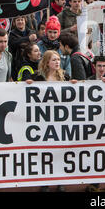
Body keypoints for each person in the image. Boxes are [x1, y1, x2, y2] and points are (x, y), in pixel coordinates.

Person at [26, 50, 70, 192]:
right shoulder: (37, 78)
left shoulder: (65, 77)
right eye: (53, 60)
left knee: (60, 152)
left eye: (58, 59)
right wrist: (27, 84)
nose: (57, 62)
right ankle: (45, 181)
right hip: (43, 121)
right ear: (46, 62)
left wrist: (75, 85)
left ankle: (60, 181)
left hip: (60, 120)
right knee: (45, 153)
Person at [85, 56, 105, 193]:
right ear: (94, 67)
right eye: (99, 66)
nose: (102, 69)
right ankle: (95, 182)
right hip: (93, 124)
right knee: (94, 153)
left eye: (104, 66)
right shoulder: (88, 81)